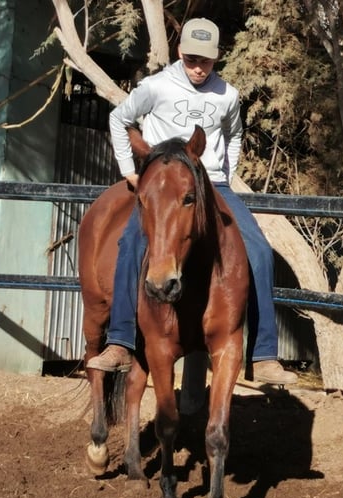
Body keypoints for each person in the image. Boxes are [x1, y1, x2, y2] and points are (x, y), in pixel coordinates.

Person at [87, 18, 297, 386]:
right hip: (164, 185)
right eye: (193, 59)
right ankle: (120, 341)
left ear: (217, 59)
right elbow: (119, 119)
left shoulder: (227, 95)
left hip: (211, 184)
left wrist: (225, 175)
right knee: (131, 243)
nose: (200, 68)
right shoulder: (155, 87)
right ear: (181, 52)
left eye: (208, 61)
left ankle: (263, 354)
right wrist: (131, 172)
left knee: (260, 252)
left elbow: (234, 133)